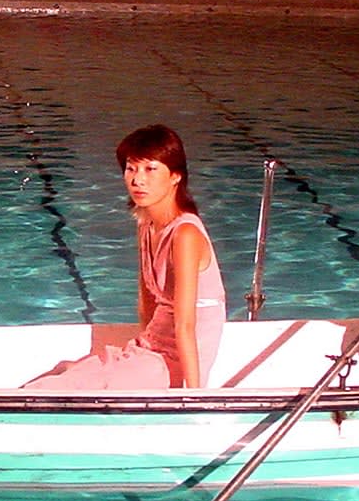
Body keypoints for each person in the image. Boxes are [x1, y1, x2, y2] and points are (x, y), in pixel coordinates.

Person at [27, 124, 226, 391]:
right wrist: (138, 351)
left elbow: (186, 324)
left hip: (178, 359)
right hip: (151, 348)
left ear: (175, 176)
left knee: (62, 387)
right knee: (65, 370)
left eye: (150, 169)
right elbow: (147, 303)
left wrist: (193, 396)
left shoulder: (185, 235)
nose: (137, 180)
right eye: (131, 168)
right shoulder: (146, 225)